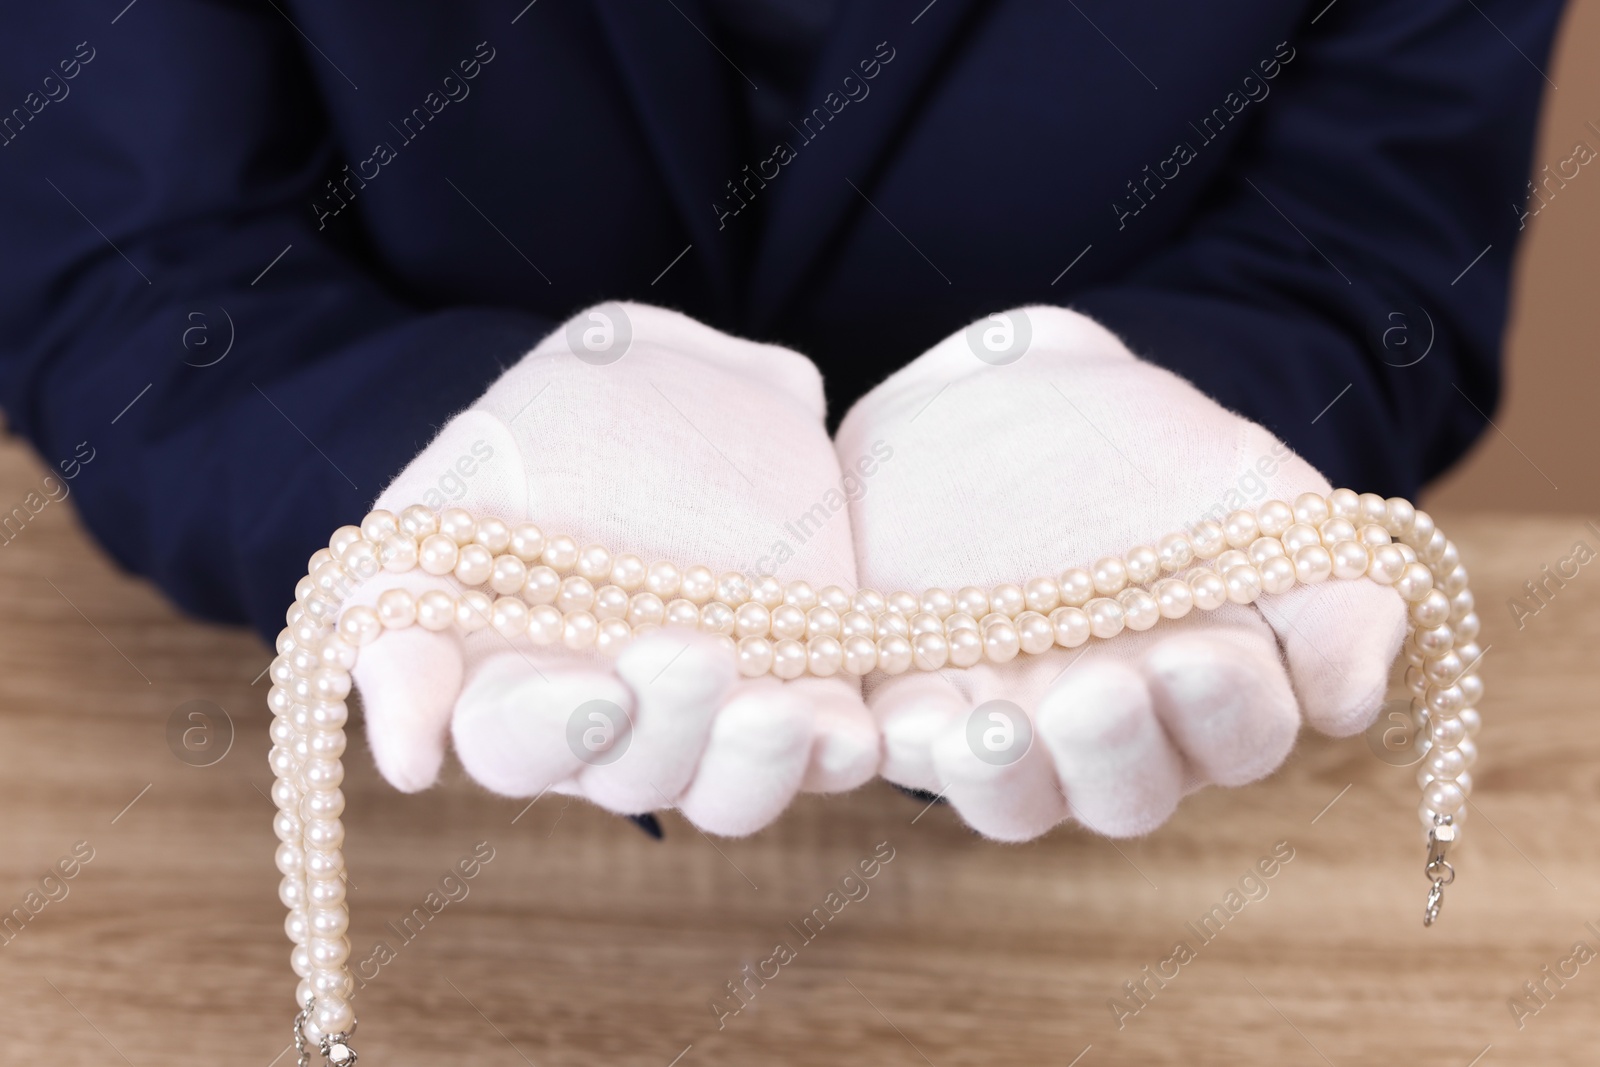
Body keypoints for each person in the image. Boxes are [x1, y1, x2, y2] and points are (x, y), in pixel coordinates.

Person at [0, 0, 1564, 840]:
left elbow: (1368, 244)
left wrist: (1192, 408)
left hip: (1103, 864)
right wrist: (422, 445)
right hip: (412, 823)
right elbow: (129, 261)